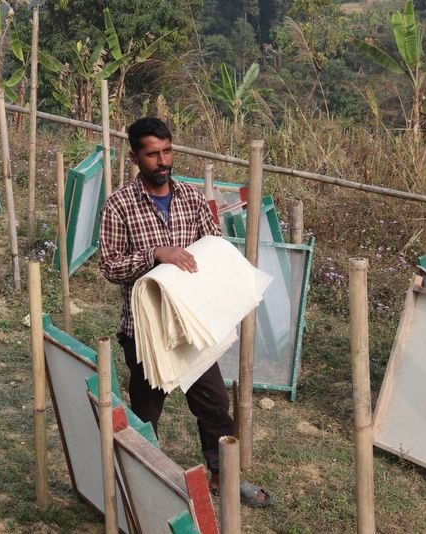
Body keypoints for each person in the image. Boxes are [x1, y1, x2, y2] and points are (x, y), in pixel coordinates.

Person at [98, 117, 271, 507]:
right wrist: (155, 255)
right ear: (135, 157)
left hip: (192, 326)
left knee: (214, 405)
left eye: (167, 151)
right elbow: (109, 266)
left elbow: (214, 245)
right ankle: (141, 485)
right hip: (146, 332)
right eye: (152, 154)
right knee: (146, 413)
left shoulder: (191, 199)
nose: (162, 161)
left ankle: (223, 478)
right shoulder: (119, 205)